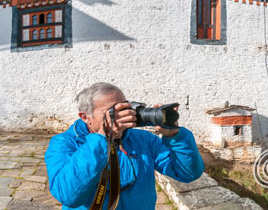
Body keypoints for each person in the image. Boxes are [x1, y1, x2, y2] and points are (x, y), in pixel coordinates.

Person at [45, 82, 204, 210]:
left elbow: (187, 173)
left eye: (124, 108)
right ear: (86, 117)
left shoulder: (143, 140)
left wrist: (174, 136)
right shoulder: (64, 143)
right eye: (112, 112)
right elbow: (67, 195)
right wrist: (102, 139)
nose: (122, 116)